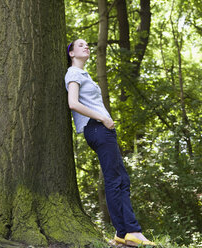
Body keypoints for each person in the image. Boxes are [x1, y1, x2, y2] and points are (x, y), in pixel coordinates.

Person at [65, 39, 155, 247]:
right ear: (71, 53)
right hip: (98, 128)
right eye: (80, 45)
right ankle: (130, 231)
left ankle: (124, 233)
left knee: (121, 179)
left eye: (87, 44)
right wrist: (103, 119)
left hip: (101, 130)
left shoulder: (83, 74)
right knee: (115, 180)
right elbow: (73, 103)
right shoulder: (74, 73)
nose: (86, 46)